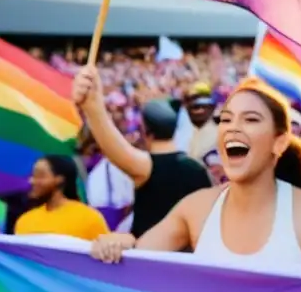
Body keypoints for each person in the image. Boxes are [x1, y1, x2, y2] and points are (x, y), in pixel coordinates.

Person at [90, 79, 301, 288]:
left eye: (250, 119)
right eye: (225, 119)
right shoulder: (196, 208)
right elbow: (139, 261)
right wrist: (122, 243)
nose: (233, 127)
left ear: (279, 142)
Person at [73, 65, 214, 238]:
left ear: (145, 132)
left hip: (150, 258)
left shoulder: (147, 167)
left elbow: (111, 146)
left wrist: (92, 106)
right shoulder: (198, 168)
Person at [15, 154, 109, 240]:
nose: (32, 181)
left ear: (60, 179)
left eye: (40, 176)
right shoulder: (25, 220)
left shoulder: (88, 218)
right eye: (33, 175)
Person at [173, 81, 218, 162]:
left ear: (211, 108)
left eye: (203, 106)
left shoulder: (218, 135)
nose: (199, 110)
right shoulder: (186, 132)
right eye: (195, 107)